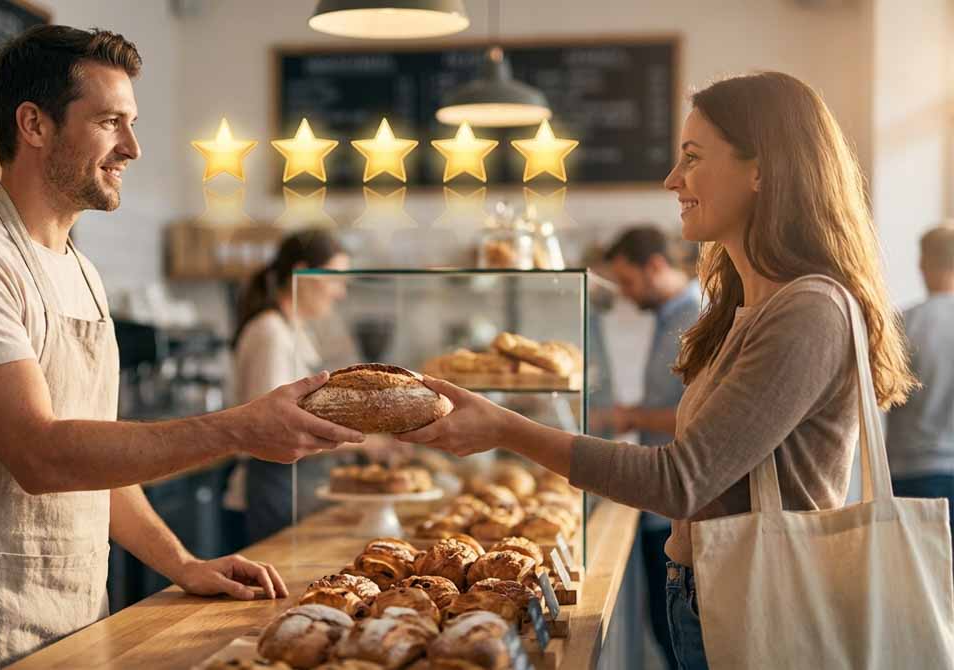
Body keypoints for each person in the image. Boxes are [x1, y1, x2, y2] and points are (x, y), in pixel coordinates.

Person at [0, 26, 362, 669]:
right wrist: (238, 429)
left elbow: (96, 457)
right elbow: (43, 456)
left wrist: (183, 563)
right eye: (110, 122)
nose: (131, 147)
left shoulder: (80, 268)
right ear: (35, 125)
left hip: (74, 616)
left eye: (130, 124)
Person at [398, 72, 914, 670]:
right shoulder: (755, 306)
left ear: (763, 169)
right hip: (719, 590)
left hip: (764, 602)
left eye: (692, 159)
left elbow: (682, 481)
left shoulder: (809, 308)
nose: (673, 180)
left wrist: (507, 429)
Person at [602, 225, 702, 669]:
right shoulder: (669, 317)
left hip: (676, 506)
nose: (624, 294)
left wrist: (629, 416)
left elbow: (698, 417)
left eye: (627, 281)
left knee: (676, 639)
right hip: (659, 502)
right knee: (666, 636)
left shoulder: (696, 316)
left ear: (656, 266)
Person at [229, 228, 350, 543]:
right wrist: (365, 442)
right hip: (272, 487)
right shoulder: (269, 332)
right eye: (334, 279)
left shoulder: (296, 330)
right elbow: (272, 429)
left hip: (294, 485)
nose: (340, 292)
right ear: (301, 273)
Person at [886, 224, 954, 548]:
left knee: (918, 586)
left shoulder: (903, 323)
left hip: (909, 472)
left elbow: (880, 394)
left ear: (924, 263)